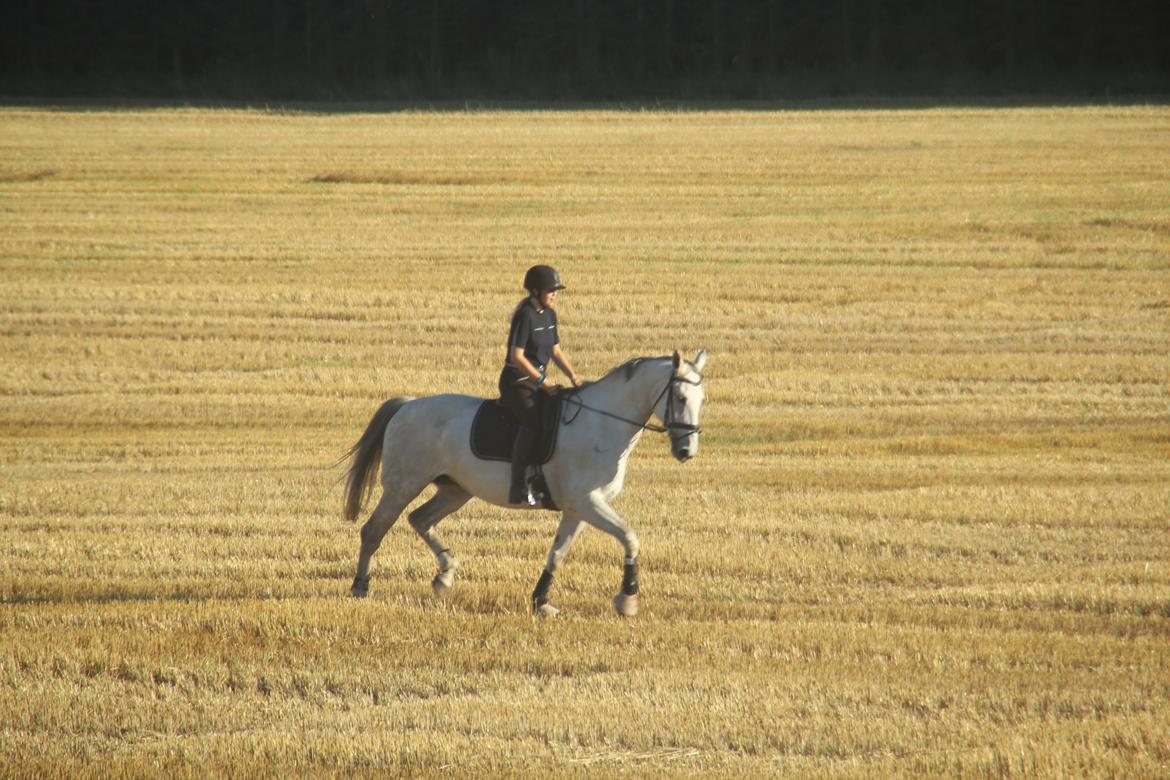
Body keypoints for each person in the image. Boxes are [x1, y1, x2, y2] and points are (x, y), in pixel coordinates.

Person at [499, 265, 583, 505]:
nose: (555, 294)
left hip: (538, 381)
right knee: (533, 422)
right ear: (535, 291)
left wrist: (574, 377)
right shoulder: (525, 315)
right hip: (518, 383)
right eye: (550, 290)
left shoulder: (549, 314)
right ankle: (517, 486)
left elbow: (555, 350)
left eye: (557, 290)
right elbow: (517, 357)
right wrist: (543, 383)